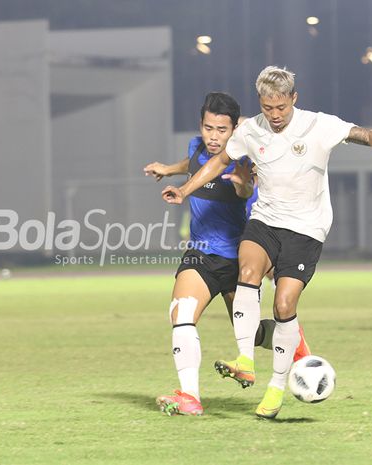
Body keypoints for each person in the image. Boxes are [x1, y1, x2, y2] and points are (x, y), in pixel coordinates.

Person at [162, 66, 372, 419]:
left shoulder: (317, 124)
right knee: (236, 276)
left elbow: (358, 133)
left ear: (293, 99)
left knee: (283, 307)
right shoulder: (250, 131)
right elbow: (214, 160)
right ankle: (239, 364)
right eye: (267, 107)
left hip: (305, 229)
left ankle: (278, 384)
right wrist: (184, 188)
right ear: (260, 103)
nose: (275, 115)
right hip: (261, 224)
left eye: (281, 107)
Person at [145, 92, 309, 417]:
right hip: (201, 255)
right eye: (209, 128)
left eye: (222, 130)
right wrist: (168, 169)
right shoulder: (196, 146)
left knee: (255, 334)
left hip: (238, 259)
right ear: (201, 126)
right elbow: (192, 164)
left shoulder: (243, 162)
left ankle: (297, 347)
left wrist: (244, 187)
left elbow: (245, 191)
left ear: (235, 129)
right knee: (182, 313)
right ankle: (190, 397)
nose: (214, 136)